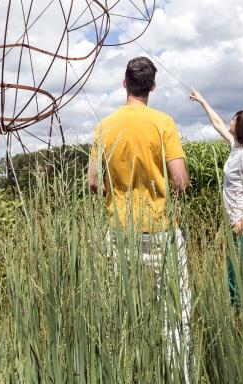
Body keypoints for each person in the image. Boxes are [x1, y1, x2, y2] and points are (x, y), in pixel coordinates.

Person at [89, 56, 191, 377]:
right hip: (161, 231)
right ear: (153, 87)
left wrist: (114, 192)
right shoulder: (163, 123)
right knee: (175, 316)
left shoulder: (104, 127)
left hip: (119, 232)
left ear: (124, 83)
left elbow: (93, 182)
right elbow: (181, 181)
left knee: (121, 313)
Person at [189, 89, 243, 305]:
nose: (231, 119)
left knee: (240, 281)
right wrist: (203, 101)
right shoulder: (236, 147)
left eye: (235, 118)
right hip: (237, 226)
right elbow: (218, 123)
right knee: (235, 278)